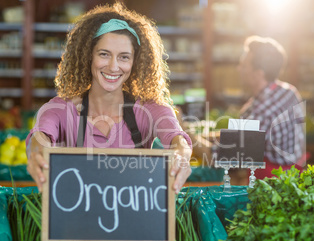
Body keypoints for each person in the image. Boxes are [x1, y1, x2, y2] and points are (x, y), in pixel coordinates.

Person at [26, 3, 192, 194]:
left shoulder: (151, 109)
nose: (113, 67)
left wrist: (181, 154)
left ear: (134, 62)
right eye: (104, 54)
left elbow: (176, 138)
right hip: (76, 218)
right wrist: (37, 150)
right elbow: (41, 135)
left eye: (124, 57)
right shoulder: (60, 109)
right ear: (89, 56)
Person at [178, 35, 305, 184]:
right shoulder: (288, 91)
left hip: (274, 185)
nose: (239, 69)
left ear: (259, 74)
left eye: (244, 65)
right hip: (294, 176)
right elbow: (240, 135)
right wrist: (207, 136)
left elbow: (218, 157)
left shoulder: (260, 112)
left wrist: (182, 129)